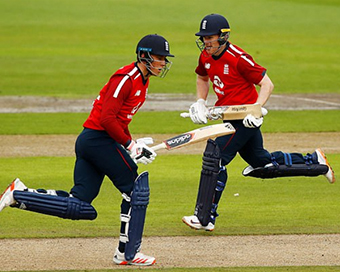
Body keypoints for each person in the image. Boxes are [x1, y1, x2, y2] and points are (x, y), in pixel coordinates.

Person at [0, 34, 174, 266]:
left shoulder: (143, 80)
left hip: (95, 141)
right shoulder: (126, 78)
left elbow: (119, 121)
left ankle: (19, 194)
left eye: (164, 58)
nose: (163, 62)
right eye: (159, 57)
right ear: (144, 55)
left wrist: (132, 143)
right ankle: (127, 253)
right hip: (97, 140)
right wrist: (129, 145)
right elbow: (107, 118)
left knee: (80, 205)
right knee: (135, 189)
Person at [182, 14, 335, 232]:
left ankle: (205, 216)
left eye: (211, 37)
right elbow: (202, 77)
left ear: (223, 37)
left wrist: (256, 110)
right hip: (228, 117)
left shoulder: (238, 58)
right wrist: (199, 102)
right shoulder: (205, 56)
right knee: (262, 163)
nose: (206, 42)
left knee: (216, 158)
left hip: (245, 120)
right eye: (204, 37)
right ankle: (315, 162)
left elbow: (267, 84)